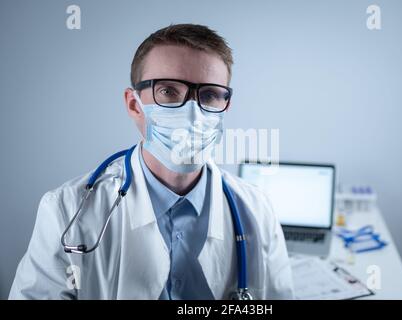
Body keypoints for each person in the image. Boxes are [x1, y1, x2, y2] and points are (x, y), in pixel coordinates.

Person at [9, 24, 294, 300]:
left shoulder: (257, 210)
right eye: (169, 91)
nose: (193, 114)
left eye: (209, 95)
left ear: (225, 105)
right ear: (134, 104)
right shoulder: (67, 210)